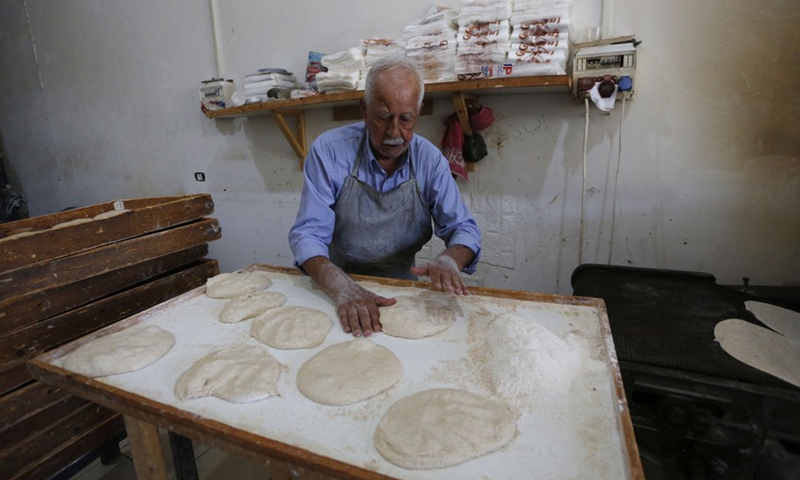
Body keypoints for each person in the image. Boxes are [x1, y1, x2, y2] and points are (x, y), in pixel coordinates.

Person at [288, 58, 481, 337]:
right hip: (336, 286)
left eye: (405, 119)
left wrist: (451, 259)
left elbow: (463, 228)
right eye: (383, 117)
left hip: (401, 290)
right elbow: (307, 234)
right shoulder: (329, 151)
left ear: (417, 113)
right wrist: (342, 288)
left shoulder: (429, 161)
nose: (394, 132)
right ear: (364, 109)